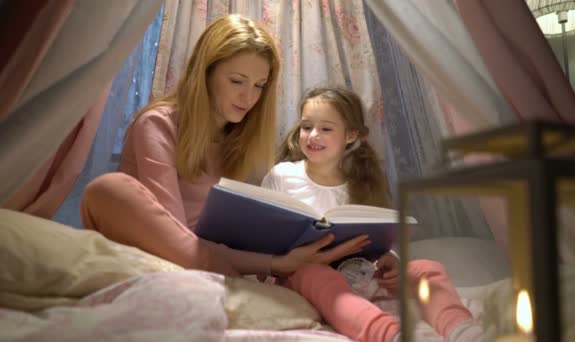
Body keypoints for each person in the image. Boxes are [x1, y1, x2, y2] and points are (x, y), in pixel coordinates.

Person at [80, 14, 369, 278]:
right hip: (161, 253)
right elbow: (175, 236)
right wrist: (271, 264)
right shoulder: (157, 124)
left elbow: (223, 236)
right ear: (205, 74)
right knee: (108, 189)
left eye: (259, 85)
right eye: (237, 81)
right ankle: (230, 281)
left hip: (210, 261)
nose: (248, 97)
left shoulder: (239, 139)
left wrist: (280, 259)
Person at [262, 86, 482, 342]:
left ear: (350, 134)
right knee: (316, 275)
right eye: (306, 126)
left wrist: (391, 259)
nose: (312, 135)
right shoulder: (283, 175)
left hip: (358, 273)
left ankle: (461, 329)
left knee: (427, 268)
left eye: (326, 129)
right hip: (301, 275)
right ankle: (389, 334)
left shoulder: (362, 182)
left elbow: (379, 237)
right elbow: (265, 242)